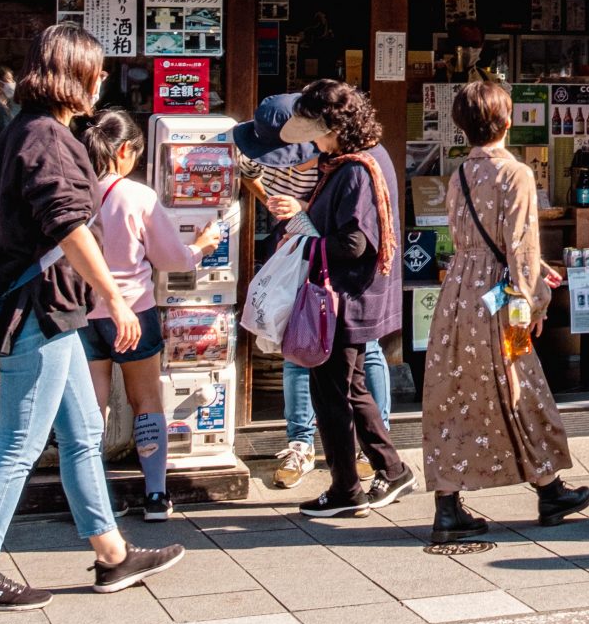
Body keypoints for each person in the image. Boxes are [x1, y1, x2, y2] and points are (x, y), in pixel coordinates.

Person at [0, 24, 181, 610]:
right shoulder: (46, 138)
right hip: (41, 311)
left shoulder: (24, 131)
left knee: (83, 436)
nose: (102, 80)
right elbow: (68, 227)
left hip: (55, 311)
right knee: (19, 446)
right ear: (75, 73)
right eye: (97, 71)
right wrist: (118, 296)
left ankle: (112, 555)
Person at [420, 80, 589, 542]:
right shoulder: (515, 173)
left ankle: (448, 504)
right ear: (507, 120)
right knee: (521, 386)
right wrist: (532, 301)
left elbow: (476, 241)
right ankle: (550, 489)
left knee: (455, 392)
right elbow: (518, 244)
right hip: (502, 301)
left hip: (459, 295)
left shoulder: (457, 175)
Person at [237, 93, 391, 489]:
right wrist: (276, 204)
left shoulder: (349, 166)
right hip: (305, 254)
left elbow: (355, 237)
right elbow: (251, 174)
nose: (284, 165)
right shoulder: (261, 152)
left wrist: (303, 209)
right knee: (302, 347)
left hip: (335, 266)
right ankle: (306, 445)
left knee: (357, 361)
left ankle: (375, 455)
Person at [83, 112, 228, 521]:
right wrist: (202, 245)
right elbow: (172, 258)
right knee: (145, 400)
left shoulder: (77, 190)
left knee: (93, 408)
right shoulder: (137, 196)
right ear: (125, 150)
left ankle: (95, 496)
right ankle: (155, 494)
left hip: (84, 313)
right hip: (132, 311)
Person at [293, 80, 417, 518]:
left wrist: (302, 244)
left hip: (345, 297)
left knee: (332, 393)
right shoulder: (368, 156)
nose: (310, 137)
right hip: (355, 295)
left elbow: (354, 243)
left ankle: (347, 488)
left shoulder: (354, 169)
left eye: (314, 128)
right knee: (352, 386)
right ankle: (392, 469)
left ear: (332, 126)